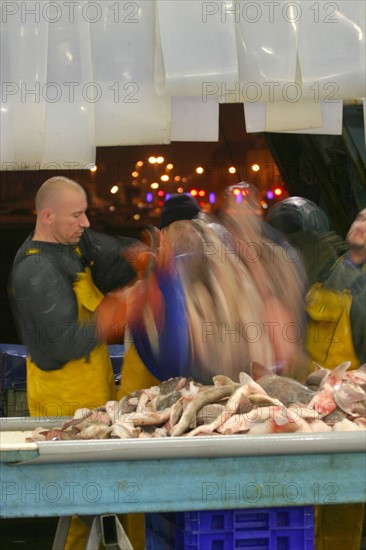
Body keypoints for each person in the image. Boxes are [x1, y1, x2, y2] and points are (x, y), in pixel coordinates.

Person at [7, 176, 169, 550]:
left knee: (107, 498)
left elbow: (110, 253)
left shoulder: (72, 243)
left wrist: (142, 255)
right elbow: (56, 346)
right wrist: (114, 315)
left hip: (95, 398)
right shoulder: (35, 271)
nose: (86, 223)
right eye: (76, 215)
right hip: (63, 407)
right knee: (86, 502)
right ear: (47, 216)